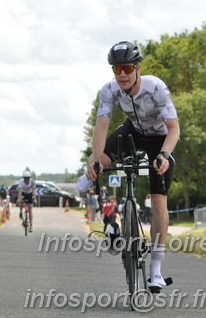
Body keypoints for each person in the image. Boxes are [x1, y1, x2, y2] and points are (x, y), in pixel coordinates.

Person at [80, 41, 180, 292]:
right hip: (133, 131)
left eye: (126, 68)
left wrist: (165, 155)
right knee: (99, 160)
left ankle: (155, 270)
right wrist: (94, 159)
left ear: (137, 67)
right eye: (116, 69)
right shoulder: (109, 90)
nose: (122, 74)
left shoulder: (156, 87)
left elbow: (174, 128)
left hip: (159, 139)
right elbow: (102, 125)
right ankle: (87, 178)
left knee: (158, 201)